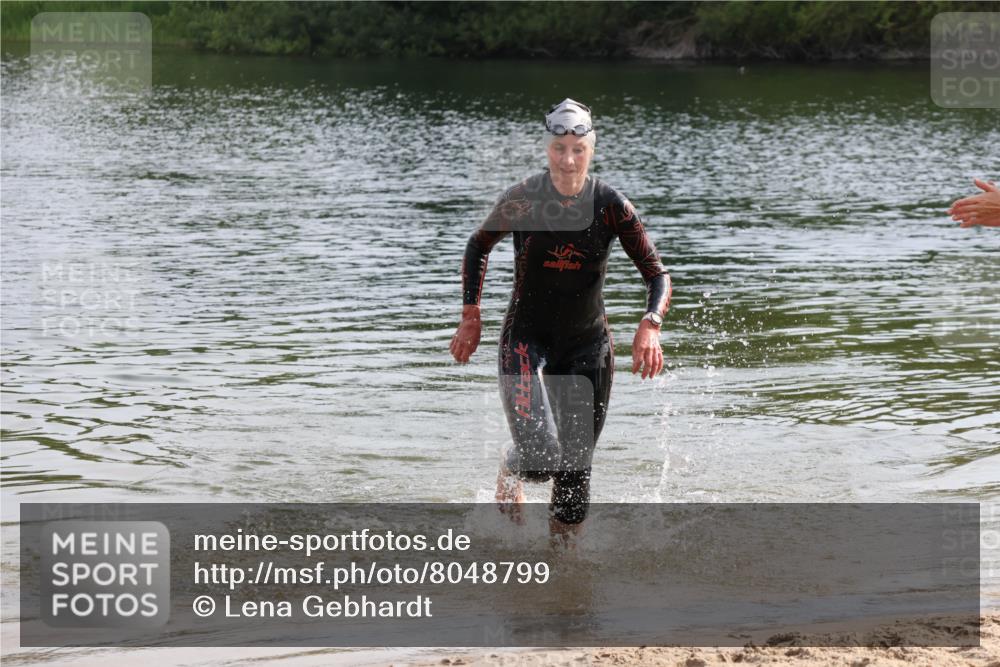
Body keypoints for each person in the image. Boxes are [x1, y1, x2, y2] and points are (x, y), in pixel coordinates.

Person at [449, 98, 671, 543]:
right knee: (539, 456)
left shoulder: (611, 206)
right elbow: (479, 245)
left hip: (587, 343)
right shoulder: (523, 198)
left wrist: (650, 323)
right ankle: (510, 469)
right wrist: (471, 314)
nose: (568, 160)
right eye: (558, 149)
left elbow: (657, 274)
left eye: (578, 149)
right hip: (525, 338)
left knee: (574, 473)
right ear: (546, 148)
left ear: (592, 149)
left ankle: (561, 579)